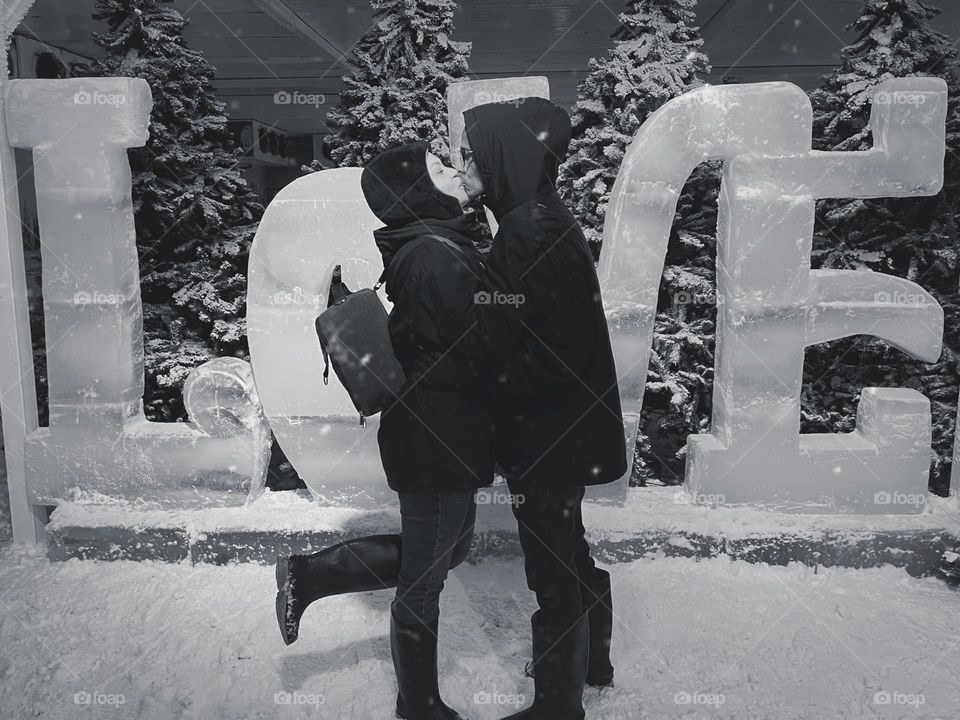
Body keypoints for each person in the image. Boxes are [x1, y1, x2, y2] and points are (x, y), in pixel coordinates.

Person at [275, 140, 494, 720]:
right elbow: (461, 354)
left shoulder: (437, 243)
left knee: (446, 554)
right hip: (437, 437)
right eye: (438, 167)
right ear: (417, 193)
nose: (453, 169)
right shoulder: (434, 255)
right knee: (425, 579)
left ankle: (311, 572)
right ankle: (418, 705)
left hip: (440, 431)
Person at [452, 97, 628, 720]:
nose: (464, 166)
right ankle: (591, 663)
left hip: (544, 433)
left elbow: (493, 344)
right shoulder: (546, 219)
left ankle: (558, 707)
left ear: (507, 158)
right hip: (567, 426)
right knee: (570, 549)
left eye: (474, 154)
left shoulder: (524, 234)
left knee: (551, 568)